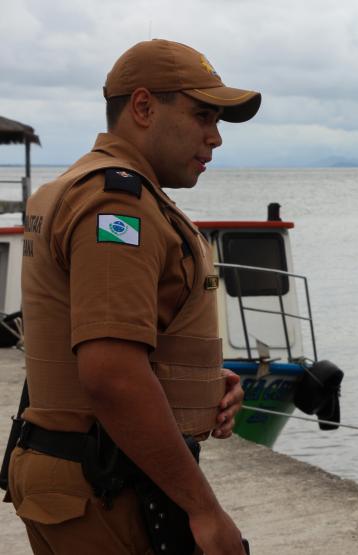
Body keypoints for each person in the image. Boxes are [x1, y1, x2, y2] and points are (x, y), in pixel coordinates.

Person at [4, 39, 261, 554]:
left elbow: (96, 337)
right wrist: (205, 510)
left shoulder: (72, 187)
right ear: (143, 107)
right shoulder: (116, 205)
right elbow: (111, 374)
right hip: (106, 486)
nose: (215, 139)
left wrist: (196, 385)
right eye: (203, 116)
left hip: (80, 472)